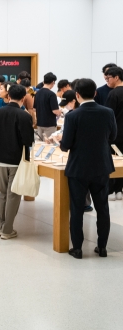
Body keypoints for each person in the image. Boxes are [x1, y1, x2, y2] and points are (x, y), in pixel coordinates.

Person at [60, 79, 116, 259]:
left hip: (78, 168)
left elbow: (66, 145)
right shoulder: (108, 113)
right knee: (102, 208)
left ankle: (77, 248)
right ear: (96, 93)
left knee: (77, 208)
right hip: (101, 166)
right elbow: (112, 136)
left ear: (77, 95)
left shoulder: (72, 116)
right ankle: (102, 247)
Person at [0, 84, 34, 240]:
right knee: (13, 194)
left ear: (8, 96)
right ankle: (7, 230)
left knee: (3, 194)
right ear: (23, 98)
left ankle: (1, 224)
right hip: (16, 159)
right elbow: (28, 140)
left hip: (0, 158)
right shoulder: (24, 116)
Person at [105, 66, 123, 199]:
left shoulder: (113, 94)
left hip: (116, 134)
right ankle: (119, 190)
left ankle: (111, 190)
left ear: (117, 77)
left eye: (108, 78)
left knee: (112, 161)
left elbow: (108, 116)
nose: (107, 81)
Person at [33, 72, 61, 141]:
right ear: (53, 82)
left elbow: (34, 109)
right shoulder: (51, 94)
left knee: (40, 145)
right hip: (49, 125)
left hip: (39, 123)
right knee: (49, 144)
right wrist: (60, 112)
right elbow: (55, 111)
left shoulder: (37, 93)